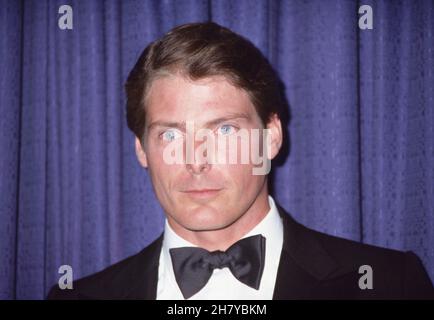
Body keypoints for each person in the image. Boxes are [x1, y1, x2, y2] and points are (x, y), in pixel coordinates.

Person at [48, 22, 433, 300]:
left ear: (271, 137)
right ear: (141, 150)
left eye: (225, 131)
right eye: (170, 135)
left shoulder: (388, 285)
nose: (195, 161)